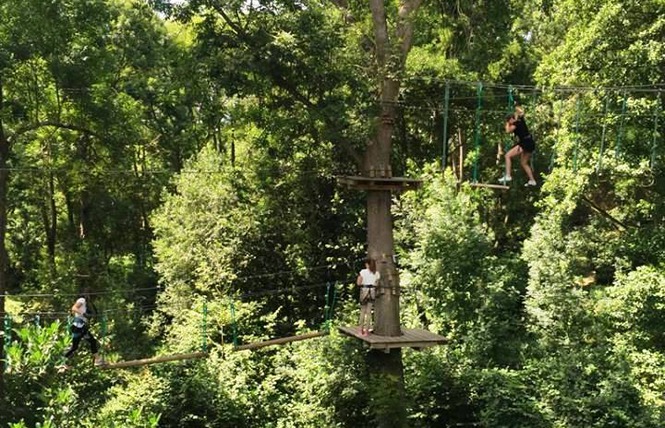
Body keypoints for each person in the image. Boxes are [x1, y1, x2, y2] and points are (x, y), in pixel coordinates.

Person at [59, 294, 104, 371]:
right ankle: (61, 362)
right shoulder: (82, 300)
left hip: (82, 327)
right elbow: (74, 308)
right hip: (79, 327)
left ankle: (97, 360)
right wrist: (84, 314)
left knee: (91, 342)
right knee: (74, 346)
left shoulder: (86, 304)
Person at [499, 104, 537, 187]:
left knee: (507, 156)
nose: (509, 123)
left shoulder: (516, 124)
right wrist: (516, 107)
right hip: (530, 143)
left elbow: (507, 131)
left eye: (510, 121)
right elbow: (521, 112)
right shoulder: (521, 120)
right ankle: (532, 180)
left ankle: (508, 175)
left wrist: (507, 123)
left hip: (525, 144)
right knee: (524, 163)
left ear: (512, 119)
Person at [357, 258, 380, 336]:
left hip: (364, 290)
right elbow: (377, 284)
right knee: (369, 312)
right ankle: (366, 331)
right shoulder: (376, 273)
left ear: (367, 264)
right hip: (372, 291)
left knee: (363, 311)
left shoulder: (363, 272)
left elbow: (358, 283)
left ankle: (360, 330)